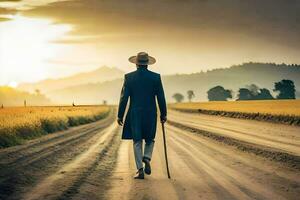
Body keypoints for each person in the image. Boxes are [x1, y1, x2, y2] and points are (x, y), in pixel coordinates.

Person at [117, 52, 167, 179]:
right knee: (150, 139)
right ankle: (147, 157)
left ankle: (140, 170)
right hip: (150, 112)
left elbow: (124, 98)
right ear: (147, 64)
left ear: (136, 64)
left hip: (135, 113)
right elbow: (161, 97)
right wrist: (163, 114)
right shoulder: (156, 77)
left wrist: (120, 115)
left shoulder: (129, 77)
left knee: (137, 141)